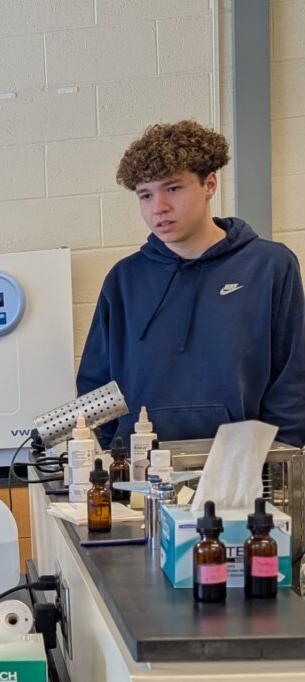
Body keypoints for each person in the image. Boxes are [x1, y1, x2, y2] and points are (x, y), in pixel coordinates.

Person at [77, 119, 305, 448]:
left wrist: (276, 461)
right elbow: (96, 386)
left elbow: (291, 378)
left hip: (241, 470)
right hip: (141, 472)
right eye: (145, 195)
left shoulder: (269, 265)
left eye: (173, 188)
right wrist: (120, 455)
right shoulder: (123, 279)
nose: (159, 207)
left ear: (209, 184)